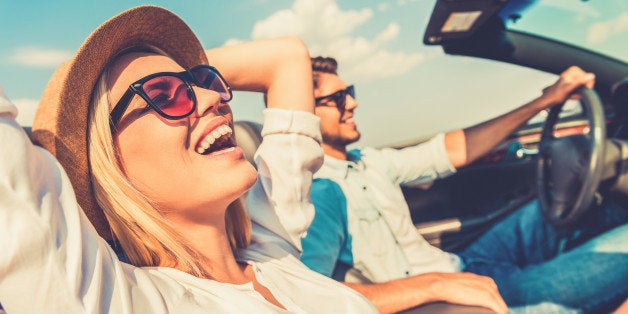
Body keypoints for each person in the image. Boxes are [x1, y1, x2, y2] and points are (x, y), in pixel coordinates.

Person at [0, 7, 377, 313]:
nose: (215, 99)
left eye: (205, 80)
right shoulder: (122, 300)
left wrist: (178, 70)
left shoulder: (270, 241)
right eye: (163, 95)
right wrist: (79, 94)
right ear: (107, 163)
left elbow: (288, 57)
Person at [300, 56, 628, 313]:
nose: (353, 104)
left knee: (570, 203)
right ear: (303, 112)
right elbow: (312, 299)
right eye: (338, 98)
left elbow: (454, 150)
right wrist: (432, 287)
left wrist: (544, 102)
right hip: (460, 300)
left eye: (350, 93)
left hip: (466, 263)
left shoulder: (366, 161)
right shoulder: (318, 193)